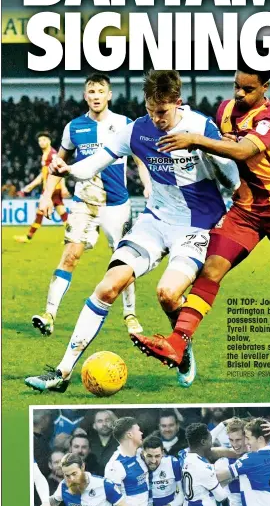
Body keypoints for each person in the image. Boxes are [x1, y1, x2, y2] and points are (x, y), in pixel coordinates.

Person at [25, 69, 239, 392]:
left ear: (177, 103)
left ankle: (182, 348)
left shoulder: (200, 127)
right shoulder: (136, 130)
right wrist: (68, 169)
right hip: (154, 221)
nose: (156, 119)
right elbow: (95, 162)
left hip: (195, 225)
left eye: (163, 112)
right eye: (151, 109)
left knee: (168, 295)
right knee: (108, 286)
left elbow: (232, 176)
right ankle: (62, 372)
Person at [132, 65, 270, 368]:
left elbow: (243, 151)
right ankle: (178, 343)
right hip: (245, 210)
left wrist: (195, 138)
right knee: (211, 269)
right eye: (236, 86)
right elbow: (223, 148)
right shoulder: (226, 109)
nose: (239, 94)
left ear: (265, 87)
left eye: (248, 89)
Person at [32, 73, 150, 338]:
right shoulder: (74, 127)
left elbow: (140, 160)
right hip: (83, 202)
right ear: (86, 96)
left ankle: (130, 314)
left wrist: (147, 184)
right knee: (70, 255)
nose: (96, 96)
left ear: (109, 95)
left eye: (100, 91)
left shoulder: (124, 124)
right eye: (91, 92)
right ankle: (49, 314)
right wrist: (46, 195)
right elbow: (56, 165)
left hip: (116, 204)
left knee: (123, 262)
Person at [41, 452, 148, 506]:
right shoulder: (64, 485)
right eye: (67, 475)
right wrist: (45, 504)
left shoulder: (104, 485)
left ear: (82, 467)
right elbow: (55, 500)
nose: (71, 479)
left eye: (74, 474)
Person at [14, 131, 69, 243]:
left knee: (40, 211)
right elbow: (43, 174)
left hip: (52, 189)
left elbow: (59, 170)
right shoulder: (45, 155)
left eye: (44, 140)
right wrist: (30, 186)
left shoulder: (52, 154)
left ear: (49, 141)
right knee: (62, 213)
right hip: (51, 188)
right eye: (40, 140)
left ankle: (28, 237)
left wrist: (63, 187)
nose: (41, 142)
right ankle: (73, 237)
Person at [180, 423, 229, 506]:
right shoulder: (204, 468)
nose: (211, 443)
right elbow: (221, 496)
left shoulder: (183, 455)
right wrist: (230, 477)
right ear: (203, 442)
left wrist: (223, 424)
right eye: (210, 440)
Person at [104, 417, 149, 506]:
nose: (141, 433)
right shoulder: (115, 465)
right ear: (130, 434)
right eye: (138, 430)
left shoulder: (140, 454)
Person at [142, 434, 183, 506]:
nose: (153, 461)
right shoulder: (135, 466)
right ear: (143, 453)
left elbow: (182, 494)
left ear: (163, 453)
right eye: (149, 456)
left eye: (157, 456)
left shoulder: (173, 463)